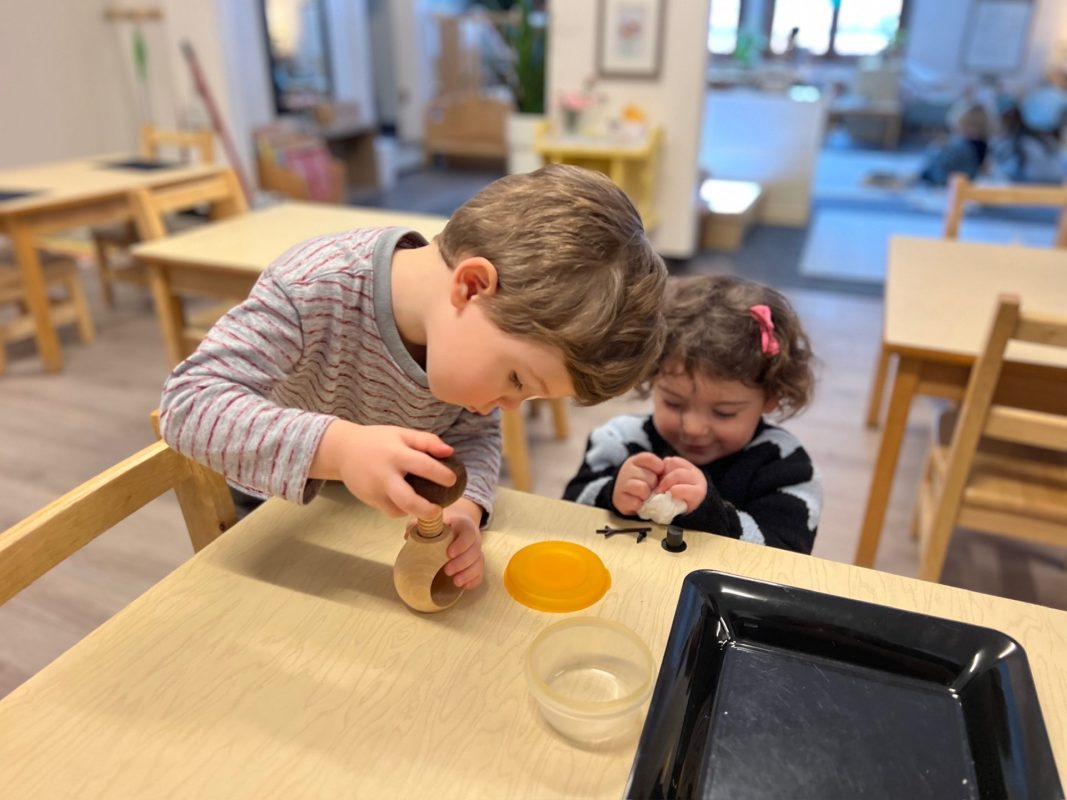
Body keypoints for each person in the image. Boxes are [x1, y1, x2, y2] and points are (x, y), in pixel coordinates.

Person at [159, 164, 667, 590]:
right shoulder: (312, 287)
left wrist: (466, 510)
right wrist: (340, 450)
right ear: (472, 286)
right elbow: (188, 405)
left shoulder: (463, 345)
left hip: (378, 522)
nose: (511, 406)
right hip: (275, 510)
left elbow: (474, 435)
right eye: (516, 379)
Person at [563, 275, 821, 554]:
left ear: (770, 397)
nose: (693, 428)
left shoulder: (786, 467)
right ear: (651, 376)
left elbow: (787, 557)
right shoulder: (619, 440)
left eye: (723, 413)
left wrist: (710, 514)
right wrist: (611, 494)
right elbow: (566, 511)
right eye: (674, 403)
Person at [991, 103, 1065, 184]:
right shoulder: (1038, 136)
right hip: (1055, 180)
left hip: (1036, 183)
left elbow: (1010, 170)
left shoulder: (1020, 142)